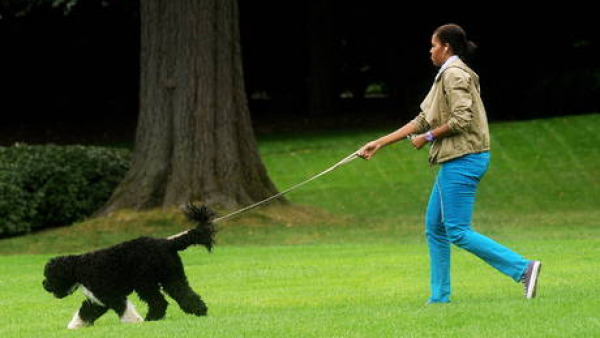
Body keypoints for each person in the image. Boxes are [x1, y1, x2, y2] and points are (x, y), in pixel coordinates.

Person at [357, 23, 541, 303]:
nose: (430, 51)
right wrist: (380, 142)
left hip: (465, 159)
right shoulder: (445, 75)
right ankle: (440, 298)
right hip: (458, 159)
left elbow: (460, 119)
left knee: (457, 230)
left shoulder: (454, 75)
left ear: (446, 47)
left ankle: (523, 268)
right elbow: (422, 119)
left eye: (433, 45)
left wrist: (427, 137)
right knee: (436, 227)